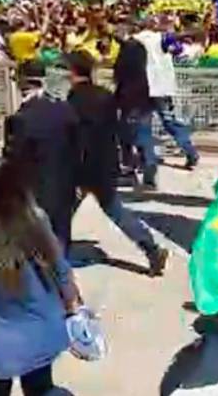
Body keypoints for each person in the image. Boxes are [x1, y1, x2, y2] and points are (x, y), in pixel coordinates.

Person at [0, 152, 83, 396]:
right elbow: (62, 270)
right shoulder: (36, 220)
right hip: (45, 331)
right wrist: (73, 310)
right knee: (41, 387)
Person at [65, 52, 169, 276]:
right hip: (106, 164)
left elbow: (75, 137)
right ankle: (150, 248)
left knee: (62, 211)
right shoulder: (105, 96)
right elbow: (118, 130)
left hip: (82, 167)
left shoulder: (74, 99)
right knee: (117, 211)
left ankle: (52, 256)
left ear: (72, 73)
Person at [3, 60, 79, 251]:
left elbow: (12, 163)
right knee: (60, 244)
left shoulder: (20, 119)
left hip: (33, 194)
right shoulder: (66, 110)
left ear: (22, 82)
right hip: (64, 188)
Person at [134, 18, 199, 169]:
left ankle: (147, 158)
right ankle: (190, 151)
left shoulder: (135, 41)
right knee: (170, 122)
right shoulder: (160, 39)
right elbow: (178, 51)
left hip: (142, 87)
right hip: (161, 88)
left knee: (143, 125)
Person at [113, 29, 157, 188]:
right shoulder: (140, 48)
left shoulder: (128, 49)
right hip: (144, 95)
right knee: (145, 134)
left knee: (126, 136)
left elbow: (119, 73)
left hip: (129, 98)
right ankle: (149, 163)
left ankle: (129, 169)